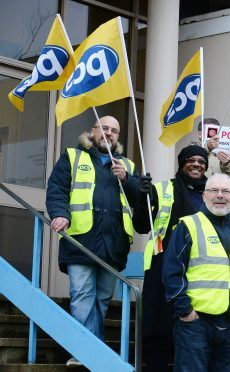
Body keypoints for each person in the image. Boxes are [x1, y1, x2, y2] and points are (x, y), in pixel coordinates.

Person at [46, 116, 139, 367]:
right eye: (104, 129)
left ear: (118, 137)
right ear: (93, 131)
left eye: (114, 131)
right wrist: (61, 214)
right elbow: (57, 189)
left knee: (102, 299)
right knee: (82, 294)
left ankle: (92, 349)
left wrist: (128, 179)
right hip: (81, 241)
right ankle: (83, 351)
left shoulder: (126, 164)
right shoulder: (73, 156)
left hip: (113, 245)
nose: (108, 134)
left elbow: (140, 200)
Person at [162, 173, 230, 371]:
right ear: (204, 196)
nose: (220, 195)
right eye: (214, 190)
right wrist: (186, 310)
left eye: (226, 191)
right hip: (196, 323)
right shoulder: (188, 225)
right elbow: (172, 273)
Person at [132, 145, 209, 371]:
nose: (196, 164)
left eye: (201, 161)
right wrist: (141, 197)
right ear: (181, 163)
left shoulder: (213, 193)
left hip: (199, 271)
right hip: (163, 269)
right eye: (191, 160)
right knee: (160, 334)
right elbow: (142, 225)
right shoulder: (163, 189)